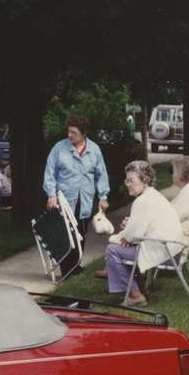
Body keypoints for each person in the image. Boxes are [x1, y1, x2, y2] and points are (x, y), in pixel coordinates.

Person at [104, 160, 184, 306]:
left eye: (131, 180)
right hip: (172, 249)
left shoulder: (142, 201)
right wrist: (129, 230)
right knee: (124, 248)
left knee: (112, 250)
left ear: (145, 180)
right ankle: (141, 290)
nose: (127, 184)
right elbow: (138, 228)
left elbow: (131, 236)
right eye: (126, 180)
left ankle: (135, 295)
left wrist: (116, 237)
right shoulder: (153, 195)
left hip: (164, 253)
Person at [43, 116, 110, 272]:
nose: (70, 135)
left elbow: (101, 175)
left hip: (85, 199)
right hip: (63, 200)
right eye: (69, 131)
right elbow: (49, 172)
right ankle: (67, 268)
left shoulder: (94, 150)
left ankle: (75, 265)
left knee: (81, 233)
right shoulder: (59, 148)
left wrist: (103, 197)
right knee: (65, 235)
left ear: (84, 133)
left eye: (74, 132)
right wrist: (51, 195)